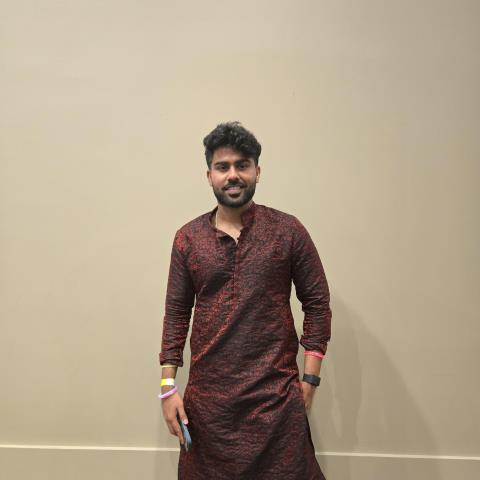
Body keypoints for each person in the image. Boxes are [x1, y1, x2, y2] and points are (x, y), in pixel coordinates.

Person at [159, 121, 332, 479]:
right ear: (209, 175)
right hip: (208, 410)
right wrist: (167, 388)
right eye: (222, 167)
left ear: (257, 171)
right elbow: (176, 315)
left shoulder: (287, 231)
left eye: (242, 165)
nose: (233, 175)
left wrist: (310, 381)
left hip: (276, 404)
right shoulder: (187, 239)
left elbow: (317, 303)